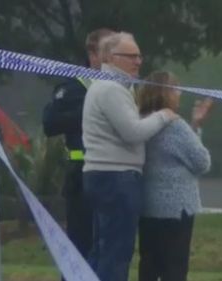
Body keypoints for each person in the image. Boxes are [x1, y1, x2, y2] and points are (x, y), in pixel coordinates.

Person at [82, 32, 178, 281]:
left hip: (104, 176)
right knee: (117, 252)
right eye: (131, 56)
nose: (138, 62)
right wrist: (164, 115)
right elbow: (133, 132)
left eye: (139, 56)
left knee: (103, 250)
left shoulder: (106, 86)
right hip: (116, 178)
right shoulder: (111, 89)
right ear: (111, 58)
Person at [42, 28, 115, 267]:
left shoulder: (121, 85)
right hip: (82, 174)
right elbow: (50, 124)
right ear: (93, 54)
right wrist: (93, 110)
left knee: (109, 247)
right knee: (81, 245)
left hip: (115, 175)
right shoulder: (74, 86)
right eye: (109, 51)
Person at [136, 71, 211, 281]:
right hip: (177, 208)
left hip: (148, 205)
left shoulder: (140, 121)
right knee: (175, 267)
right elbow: (202, 161)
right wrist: (195, 128)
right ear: (165, 93)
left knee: (149, 265)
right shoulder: (175, 126)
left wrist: (195, 125)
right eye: (176, 89)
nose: (179, 94)